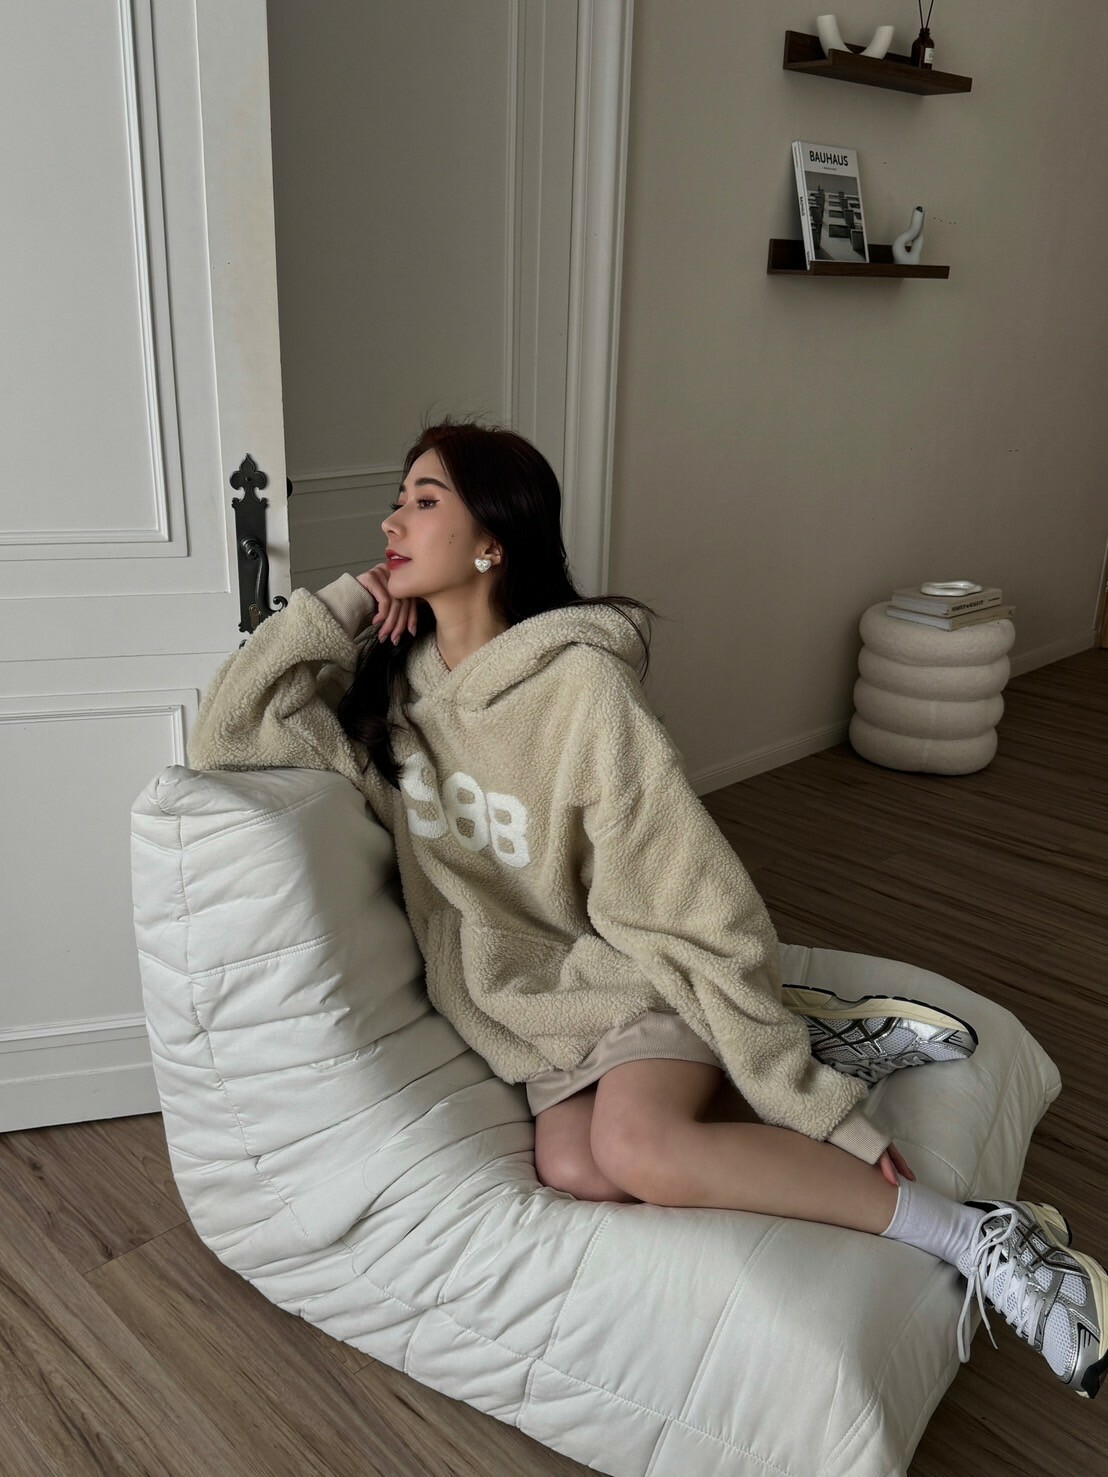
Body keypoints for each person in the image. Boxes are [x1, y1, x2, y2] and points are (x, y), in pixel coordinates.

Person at [187, 414, 1107, 1400]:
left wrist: (805, 1096)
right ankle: (813, 1034)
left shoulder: (581, 690)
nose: (391, 520)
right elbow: (228, 732)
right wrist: (339, 607)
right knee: (577, 1167)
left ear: (492, 539)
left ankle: (977, 1234)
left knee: (637, 1146)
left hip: (635, 973)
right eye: (397, 499)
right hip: (534, 1015)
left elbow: (686, 887)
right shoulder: (389, 700)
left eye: (423, 499)